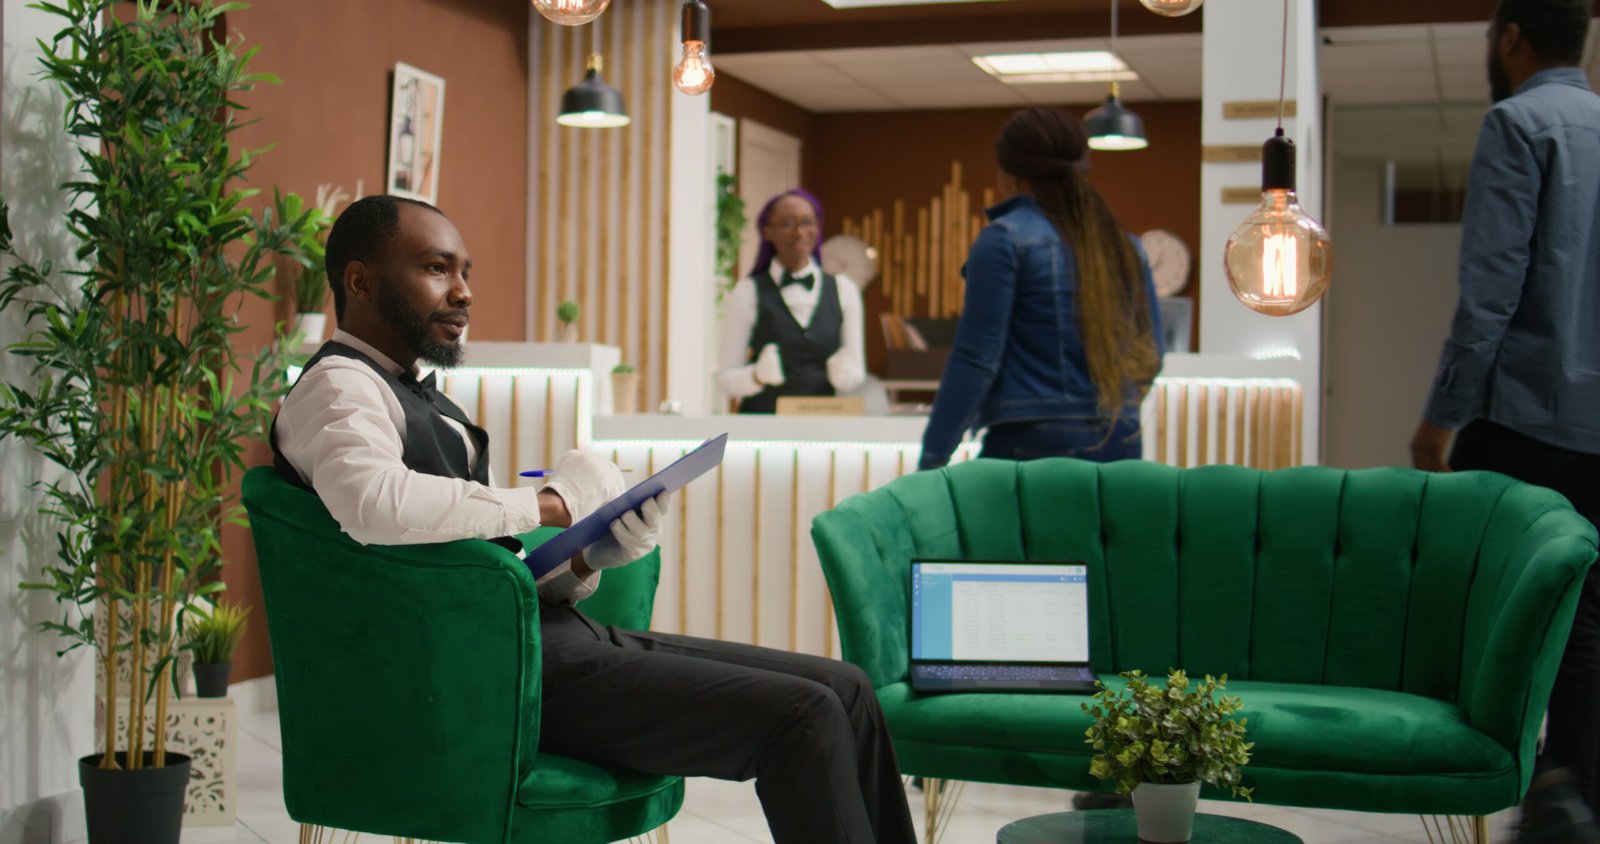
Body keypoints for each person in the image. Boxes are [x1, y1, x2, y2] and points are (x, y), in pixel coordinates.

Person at [271, 195, 917, 844]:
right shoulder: (338, 387)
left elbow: (462, 569)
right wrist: (552, 505)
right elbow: (374, 506)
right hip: (479, 679)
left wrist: (585, 557)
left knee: (848, 687)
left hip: (539, 640)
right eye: (438, 269)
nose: (464, 292)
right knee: (803, 715)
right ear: (359, 281)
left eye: (464, 271)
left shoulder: (413, 393)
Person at [1406, 2, 1600, 841]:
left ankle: (1539, 784)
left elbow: (1491, 293)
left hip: (1526, 418)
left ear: (1511, 37)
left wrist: (1438, 421)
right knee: (1589, 611)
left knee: (1513, 607)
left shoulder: (1518, 123)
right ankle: (1569, 787)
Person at [918, 107, 1163, 471]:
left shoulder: (1004, 239)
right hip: (1121, 439)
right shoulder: (1124, 245)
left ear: (1008, 174)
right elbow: (1152, 354)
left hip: (1032, 441)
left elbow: (976, 360)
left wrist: (934, 457)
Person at [716, 189, 866, 413]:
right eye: (787, 223)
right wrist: (756, 376)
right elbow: (725, 379)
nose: (799, 232)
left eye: (807, 222)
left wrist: (846, 376)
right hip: (764, 427)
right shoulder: (748, 292)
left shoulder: (844, 290)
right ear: (768, 231)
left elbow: (857, 371)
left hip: (822, 427)